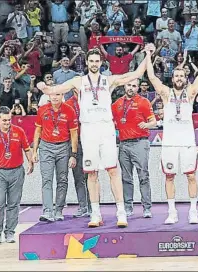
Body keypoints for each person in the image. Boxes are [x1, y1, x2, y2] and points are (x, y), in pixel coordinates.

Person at [37, 47, 151, 228]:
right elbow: (55, 89)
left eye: (97, 61)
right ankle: (95, 214)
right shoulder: (78, 81)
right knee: (91, 173)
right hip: (88, 130)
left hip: (105, 129)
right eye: (91, 61)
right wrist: (43, 87)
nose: (94, 64)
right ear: (87, 63)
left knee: (113, 171)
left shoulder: (109, 80)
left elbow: (136, 73)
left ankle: (121, 212)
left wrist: (148, 55)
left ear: (101, 63)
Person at [146, 42, 198, 225]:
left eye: (182, 76)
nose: (179, 78)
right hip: (169, 143)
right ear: (172, 78)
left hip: (187, 143)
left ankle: (193, 211)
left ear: (186, 78)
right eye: (176, 75)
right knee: (169, 176)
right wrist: (148, 54)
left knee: (191, 176)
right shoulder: (166, 93)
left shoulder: (191, 93)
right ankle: (172, 212)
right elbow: (152, 77)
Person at [0, 107, 34, 244]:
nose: (7, 123)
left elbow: (27, 148)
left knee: (13, 204)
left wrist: (31, 162)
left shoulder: (19, 131)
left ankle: (10, 232)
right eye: (4, 120)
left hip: (17, 171)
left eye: (9, 119)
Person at [112, 79, 157, 218]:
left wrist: (147, 125)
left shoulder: (144, 102)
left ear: (138, 88)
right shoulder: (117, 104)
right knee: (126, 177)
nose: (131, 88)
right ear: (124, 86)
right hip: (124, 144)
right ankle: (127, 207)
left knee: (143, 175)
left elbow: (154, 121)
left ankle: (147, 208)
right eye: (129, 85)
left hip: (140, 142)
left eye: (134, 86)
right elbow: (111, 122)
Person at [32, 93, 78, 221]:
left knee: (62, 180)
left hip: (63, 147)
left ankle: (58, 210)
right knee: (47, 179)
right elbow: (38, 131)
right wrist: (35, 151)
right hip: (46, 147)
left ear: (62, 95)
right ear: (49, 96)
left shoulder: (69, 110)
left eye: (58, 94)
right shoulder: (42, 109)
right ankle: (47, 211)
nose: (55, 97)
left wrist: (73, 154)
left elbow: (74, 134)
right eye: (52, 94)